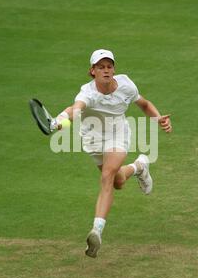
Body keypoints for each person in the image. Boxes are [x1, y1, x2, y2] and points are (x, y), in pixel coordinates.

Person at [53, 49, 172, 258]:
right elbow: (75, 108)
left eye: (109, 66)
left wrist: (159, 118)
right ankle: (140, 167)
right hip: (93, 139)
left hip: (118, 135)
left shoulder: (125, 85)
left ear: (113, 69)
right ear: (92, 71)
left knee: (107, 177)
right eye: (101, 67)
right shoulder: (87, 93)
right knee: (117, 182)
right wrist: (60, 120)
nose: (106, 70)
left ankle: (96, 231)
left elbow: (144, 104)